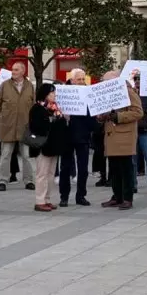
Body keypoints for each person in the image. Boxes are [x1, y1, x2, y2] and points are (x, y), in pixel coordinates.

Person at [100, 71, 143, 210]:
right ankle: (117, 196)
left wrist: (117, 116)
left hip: (124, 136)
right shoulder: (107, 94)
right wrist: (100, 116)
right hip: (111, 135)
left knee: (126, 169)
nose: (104, 84)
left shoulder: (128, 92)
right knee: (114, 169)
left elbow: (138, 112)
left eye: (106, 82)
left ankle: (127, 198)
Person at [0, 62, 35, 191]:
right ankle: (3, 180)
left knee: (26, 156)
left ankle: (28, 180)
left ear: (23, 71)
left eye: (16, 69)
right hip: (8, 125)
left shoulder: (29, 86)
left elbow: (33, 105)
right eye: (12, 69)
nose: (13, 71)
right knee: (6, 154)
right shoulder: (5, 85)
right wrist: (5, 116)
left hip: (24, 126)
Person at [29, 84, 68, 212]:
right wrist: (52, 121)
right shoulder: (37, 108)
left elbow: (61, 126)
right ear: (45, 94)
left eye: (54, 93)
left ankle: (47, 199)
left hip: (53, 145)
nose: (54, 95)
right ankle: (39, 201)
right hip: (42, 146)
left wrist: (62, 119)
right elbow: (36, 126)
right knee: (42, 174)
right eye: (52, 93)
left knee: (51, 174)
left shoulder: (55, 108)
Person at [59, 69, 94, 207]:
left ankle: (81, 195)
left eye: (83, 79)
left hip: (83, 135)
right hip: (67, 135)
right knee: (65, 168)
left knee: (83, 168)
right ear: (72, 80)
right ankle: (64, 196)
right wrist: (63, 116)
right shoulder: (63, 93)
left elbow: (91, 115)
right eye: (78, 79)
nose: (81, 82)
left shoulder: (88, 93)